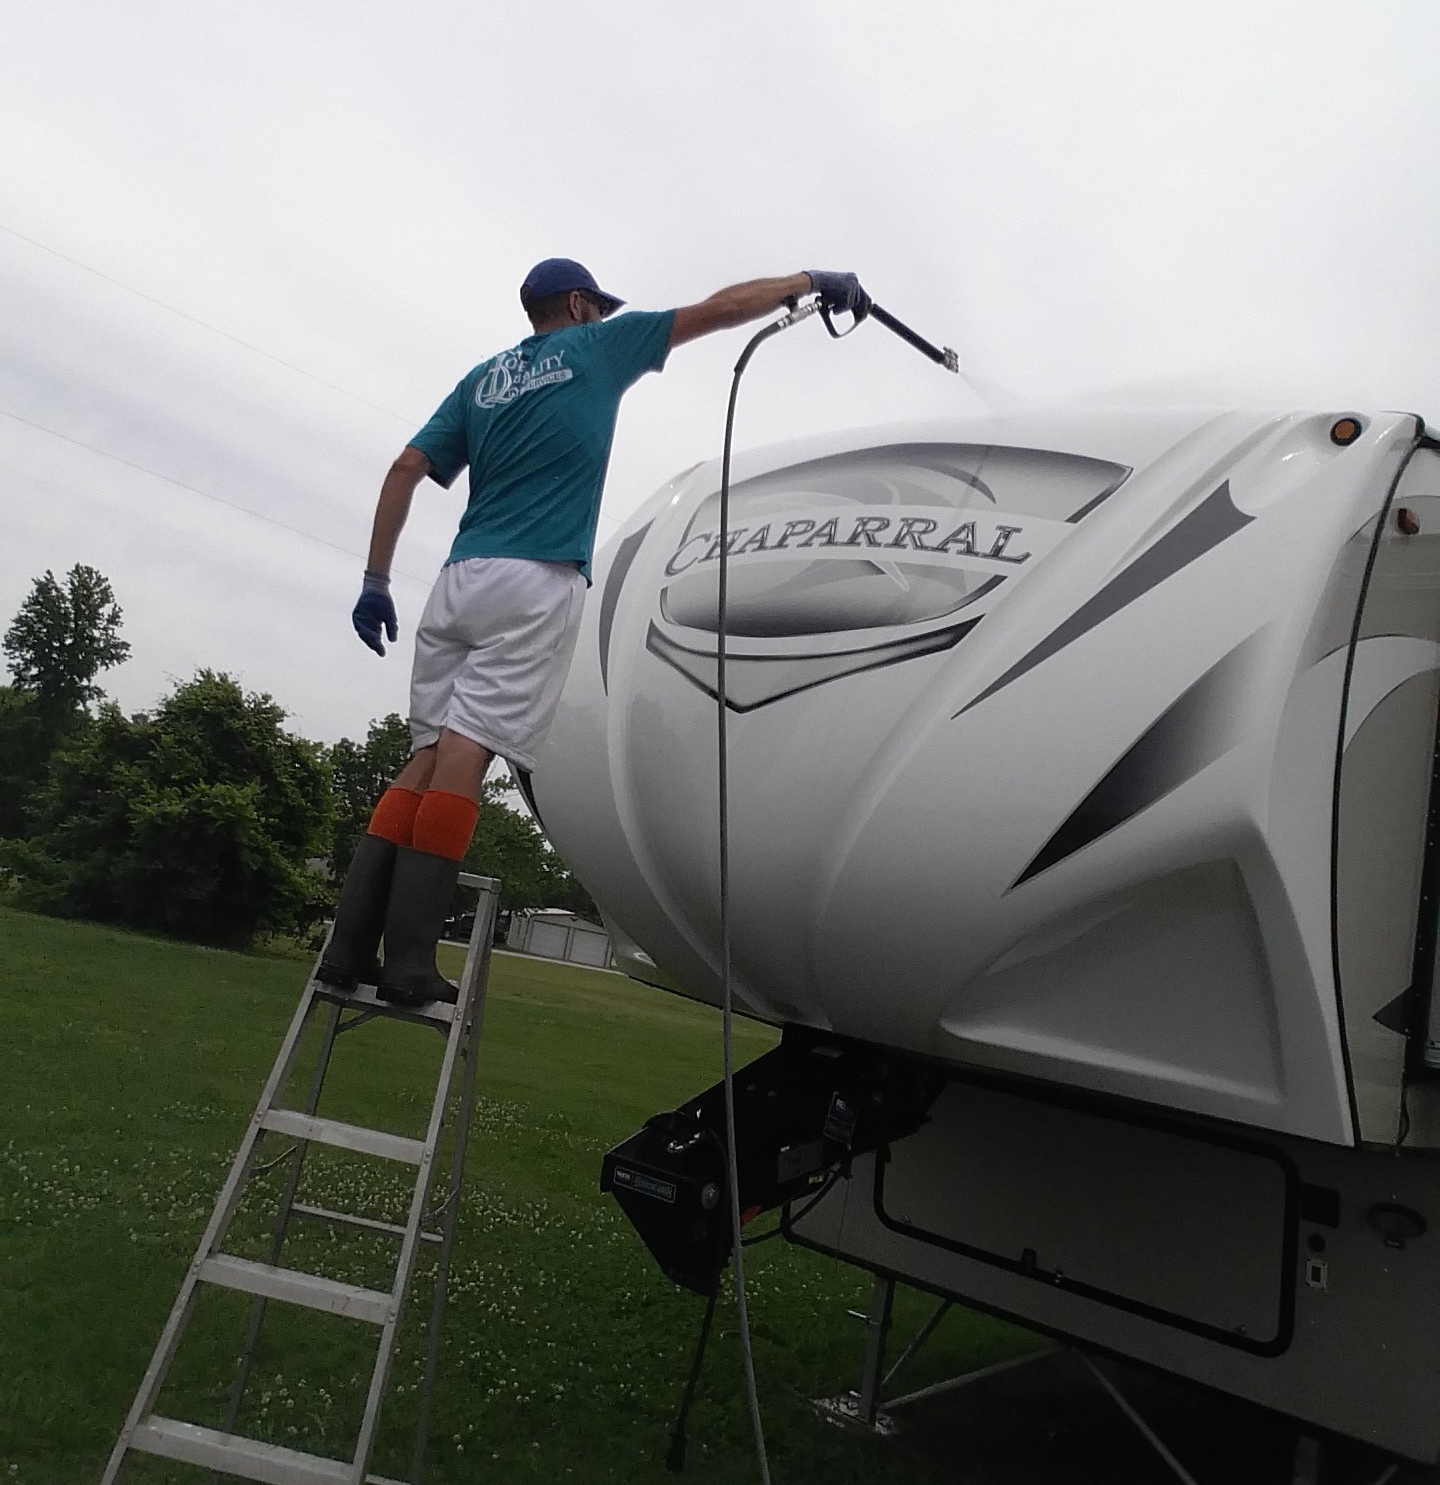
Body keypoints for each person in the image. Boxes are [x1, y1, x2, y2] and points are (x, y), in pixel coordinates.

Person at [318, 258, 870, 1008]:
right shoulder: (597, 349)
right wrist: (810, 279)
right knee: (465, 754)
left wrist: (376, 579)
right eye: (599, 310)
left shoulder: (482, 380)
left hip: (458, 580)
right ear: (577, 305)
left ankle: (347, 949)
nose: (606, 321)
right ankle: (410, 960)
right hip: (534, 577)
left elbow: (406, 466)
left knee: (423, 754)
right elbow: (722, 306)